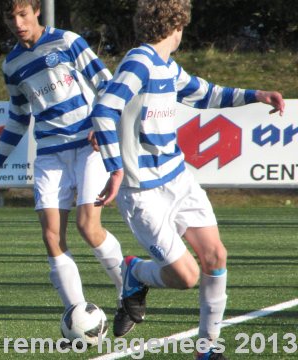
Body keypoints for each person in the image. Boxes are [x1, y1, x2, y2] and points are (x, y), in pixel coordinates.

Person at [91, 0, 285, 358]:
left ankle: (206, 350)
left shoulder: (167, 67)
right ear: (177, 26)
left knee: (215, 257)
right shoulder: (140, 62)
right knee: (186, 277)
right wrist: (116, 168)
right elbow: (103, 111)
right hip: (143, 193)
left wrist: (255, 96)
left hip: (178, 179)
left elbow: (207, 94)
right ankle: (135, 273)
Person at [0, 0, 135, 338]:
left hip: (87, 146)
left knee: (88, 226)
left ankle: (129, 294)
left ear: (35, 11)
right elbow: (18, 118)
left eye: (22, 14)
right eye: (9, 17)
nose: (17, 22)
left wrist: (101, 124)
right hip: (49, 153)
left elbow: (106, 83)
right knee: (51, 237)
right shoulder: (12, 64)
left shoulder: (67, 42)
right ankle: (78, 315)